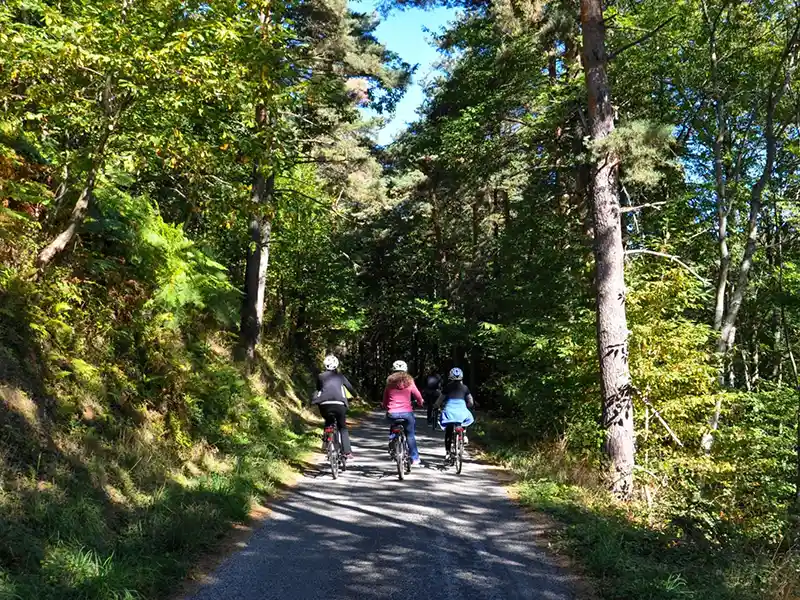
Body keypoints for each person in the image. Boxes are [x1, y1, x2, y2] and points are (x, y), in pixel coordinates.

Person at [311, 354, 356, 459]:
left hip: (324, 404)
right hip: (339, 404)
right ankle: (347, 452)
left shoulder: (320, 376)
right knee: (342, 427)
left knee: (328, 420)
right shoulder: (340, 376)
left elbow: (319, 389)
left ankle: (326, 444)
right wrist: (355, 396)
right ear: (337, 365)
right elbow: (350, 388)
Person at [382, 359, 424, 465]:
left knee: (393, 426)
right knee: (410, 435)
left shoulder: (389, 382)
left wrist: (385, 406)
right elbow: (417, 395)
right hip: (407, 413)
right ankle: (414, 458)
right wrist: (420, 402)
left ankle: (393, 443)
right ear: (405, 370)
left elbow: (385, 398)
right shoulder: (409, 382)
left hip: (392, 413)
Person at [434, 367, 475, 460]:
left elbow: (440, 399)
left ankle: (448, 452)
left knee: (448, 431)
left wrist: (436, 406)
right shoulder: (465, 388)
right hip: (461, 410)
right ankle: (464, 434)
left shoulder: (447, 387)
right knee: (465, 419)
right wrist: (468, 406)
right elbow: (471, 402)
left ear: (450, 377)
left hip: (450, 410)